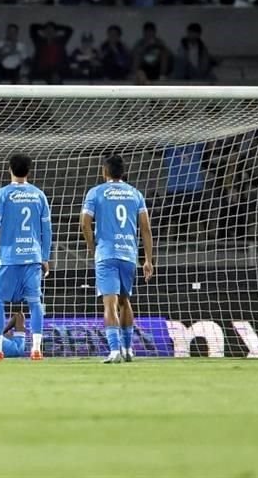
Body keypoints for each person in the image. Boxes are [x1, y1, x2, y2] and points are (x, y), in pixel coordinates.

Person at [0, 153, 51, 361]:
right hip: (33, 257)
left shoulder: (2, 194)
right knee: (35, 303)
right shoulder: (39, 195)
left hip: (9, 257)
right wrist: (45, 256)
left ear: (9, 169)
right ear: (29, 170)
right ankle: (36, 349)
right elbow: (47, 230)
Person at [80, 155, 155, 364]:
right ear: (123, 173)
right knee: (124, 301)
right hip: (129, 255)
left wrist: (92, 246)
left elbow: (84, 223)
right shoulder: (135, 194)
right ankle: (129, 349)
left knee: (109, 303)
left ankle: (114, 351)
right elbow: (146, 228)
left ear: (104, 172)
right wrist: (148, 260)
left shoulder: (96, 192)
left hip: (106, 254)